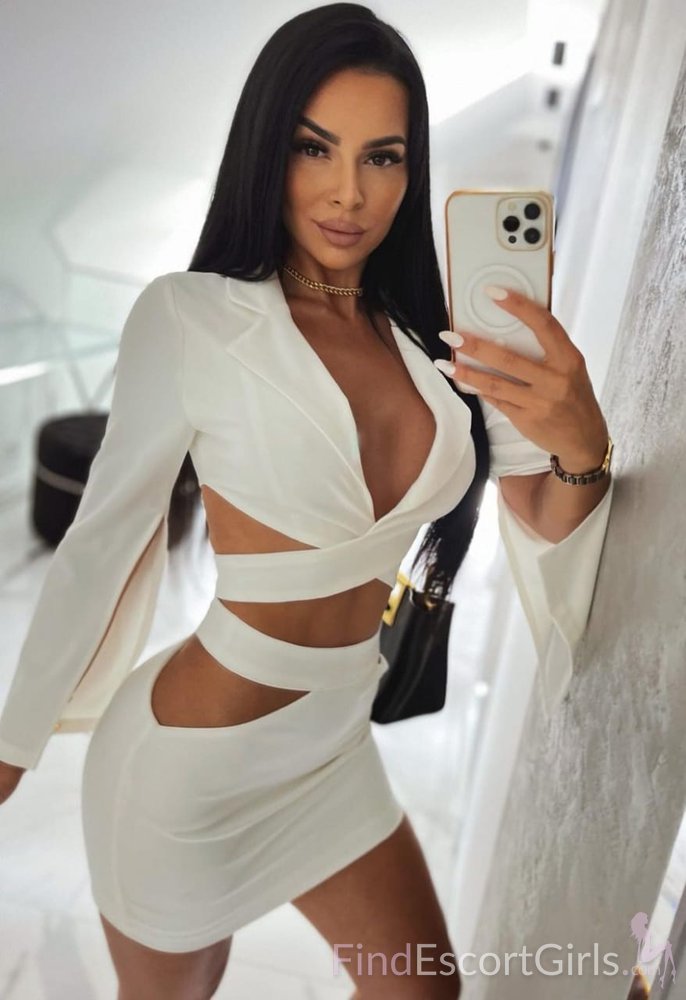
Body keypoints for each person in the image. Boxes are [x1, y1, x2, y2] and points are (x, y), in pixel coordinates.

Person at [0, 4, 614, 998]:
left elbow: (542, 512)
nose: (347, 193)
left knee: (426, 990)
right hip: (186, 773)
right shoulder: (192, 316)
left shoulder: (440, 343)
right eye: (313, 148)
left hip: (332, 752)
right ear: (266, 149)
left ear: (411, 170)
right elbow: (101, 542)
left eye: (382, 157)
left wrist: (583, 445)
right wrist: (10, 746)